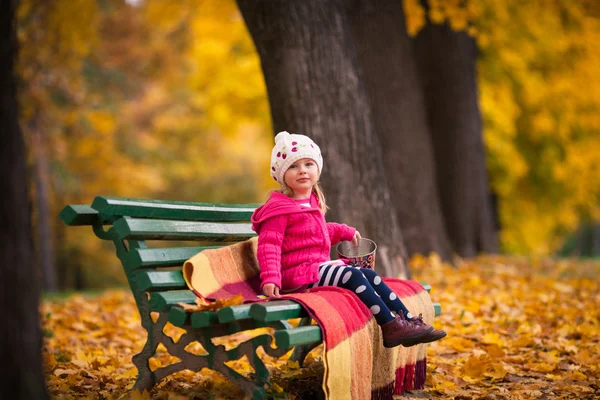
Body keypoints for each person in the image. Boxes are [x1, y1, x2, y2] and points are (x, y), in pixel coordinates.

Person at [251, 131, 446, 348]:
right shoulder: (278, 209)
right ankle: (390, 325)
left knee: (368, 274)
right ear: (281, 174)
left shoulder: (311, 203)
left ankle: (408, 321)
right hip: (297, 275)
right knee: (350, 274)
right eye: (293, 166)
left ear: (317, 169)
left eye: (308, 164)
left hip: (313, 270)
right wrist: (271, 278)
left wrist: (344, 231)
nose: (302, 171)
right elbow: (270, 244)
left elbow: (316, 232)